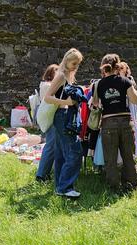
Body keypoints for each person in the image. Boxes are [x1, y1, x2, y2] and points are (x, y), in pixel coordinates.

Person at [94, 54, 137, 193]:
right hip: (126, 122)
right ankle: (132, 184)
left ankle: (114, 187)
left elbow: (95, 104)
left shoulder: (98, 84)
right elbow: (134, 100)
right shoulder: (125, 80)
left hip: (108, 122)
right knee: (128, 155)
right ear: (117, 65)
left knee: (110, 157)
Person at [44, 48, 83, 198]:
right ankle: (65, 188)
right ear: (66, 61)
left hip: (64, 115)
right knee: (75, 151)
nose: (76, 66)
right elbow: (47, 97)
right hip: (62, 115)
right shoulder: (60, 75)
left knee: (61, 153)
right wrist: (66, 102)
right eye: (74, 63)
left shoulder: (68, 76)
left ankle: (60, 187)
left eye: (78, 64)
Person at [36, 64, 59, 182]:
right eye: (57, 72)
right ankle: (41, 174)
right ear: (51, 74)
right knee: (51, 145)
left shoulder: (48, 85)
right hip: (50, 117)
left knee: (53, 145)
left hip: (52, 116)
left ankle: (46, 172)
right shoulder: (46, 85)